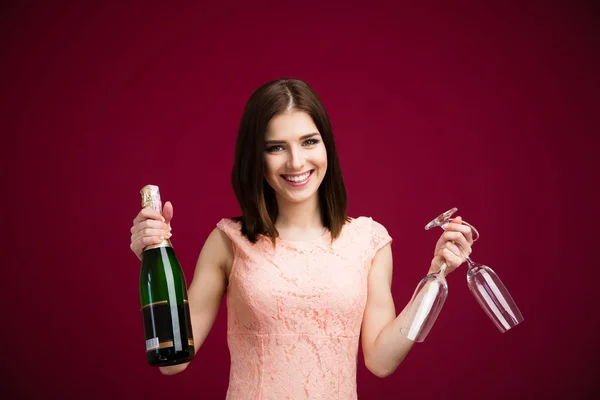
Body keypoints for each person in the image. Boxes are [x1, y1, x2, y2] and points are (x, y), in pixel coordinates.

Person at [129, 78, 473, 399]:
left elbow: (381, 361)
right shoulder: (228, 241)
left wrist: (436, 276)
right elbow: (173, 362)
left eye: (309, 142)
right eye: (276, 147)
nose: (296, 162)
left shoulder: (369, 241)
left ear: (326, 146)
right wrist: (155, 257)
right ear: (256, 157)